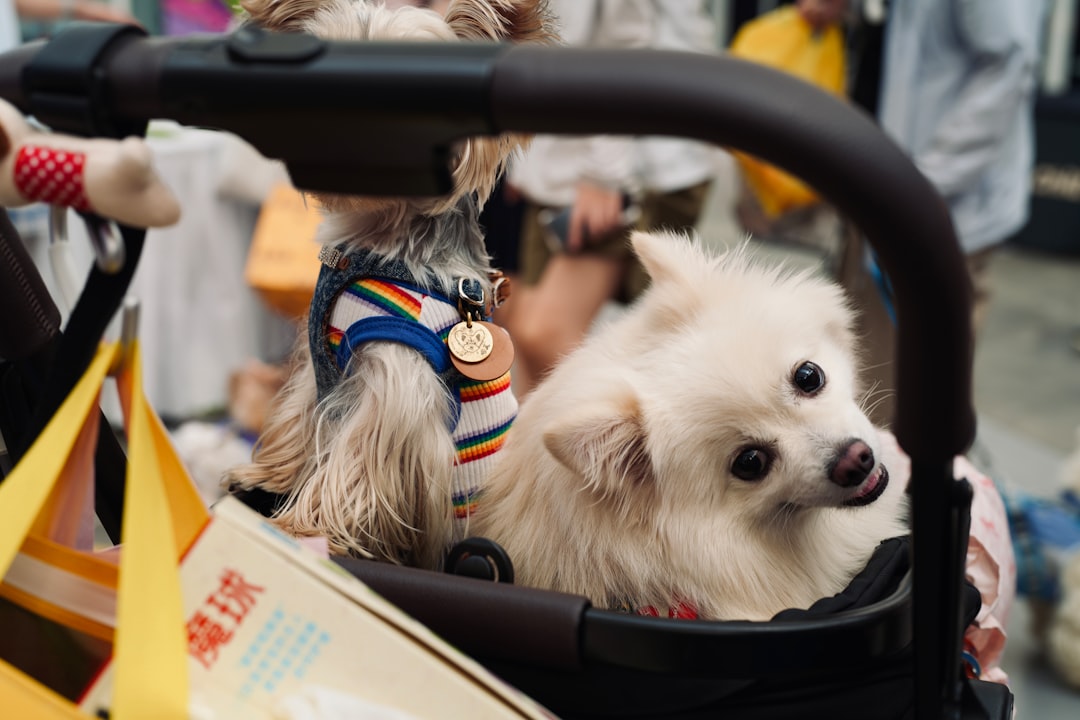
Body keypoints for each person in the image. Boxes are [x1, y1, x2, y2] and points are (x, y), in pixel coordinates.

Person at [799, 0, 1047, 425]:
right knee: (862, 359)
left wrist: (919, 184)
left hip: (937, 197)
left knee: (913, 390)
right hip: (881, 180)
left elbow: (1008, 65)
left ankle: (908, 480)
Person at [497, 0, 720, 396]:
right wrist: (521, 159)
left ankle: (642, 441)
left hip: (630, 160)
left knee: (545, 336)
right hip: (561, 158)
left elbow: (625, 46)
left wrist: (605, 175)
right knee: (521, 334)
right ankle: (536, 456)